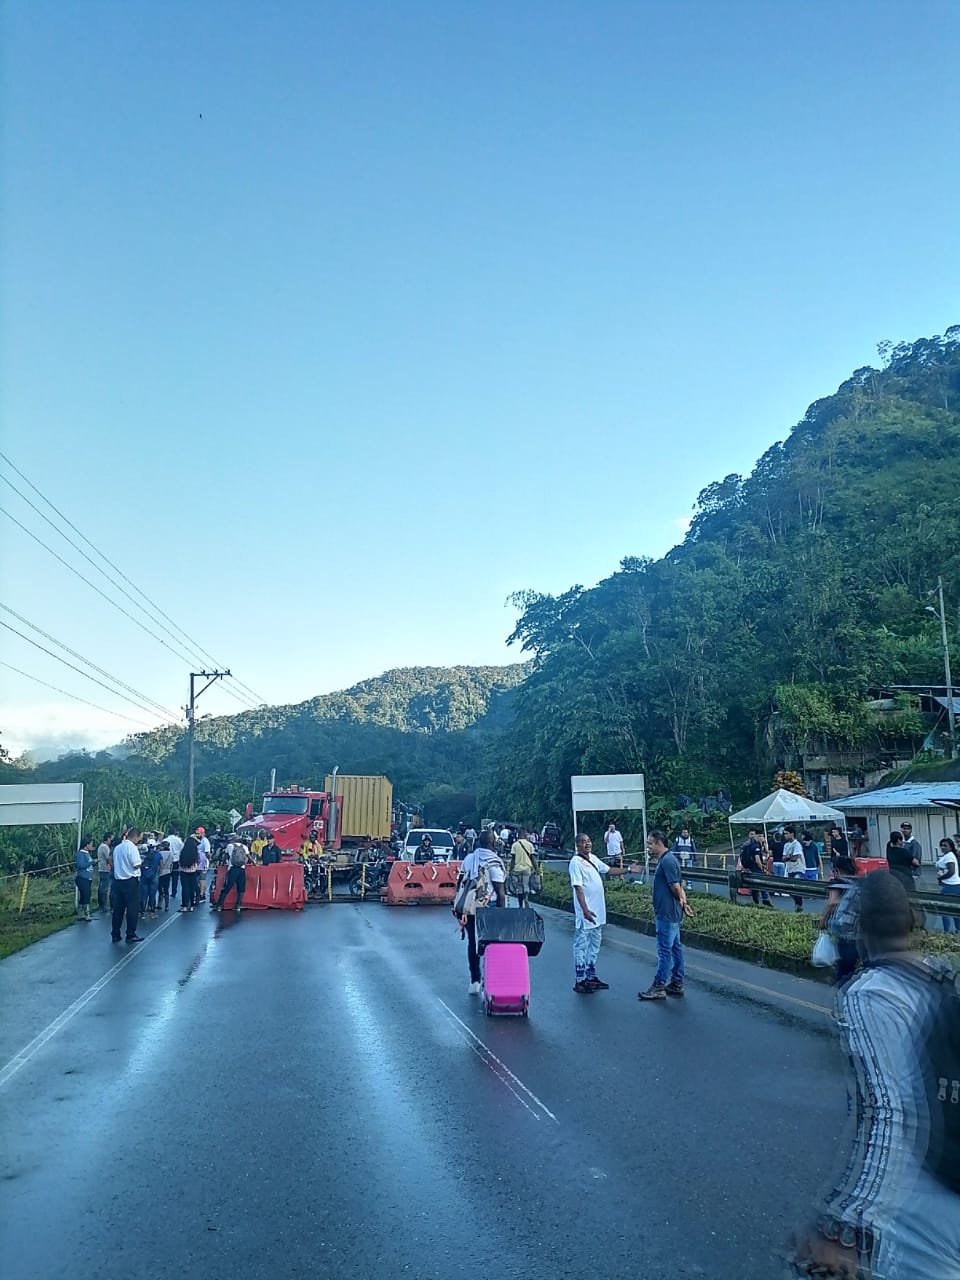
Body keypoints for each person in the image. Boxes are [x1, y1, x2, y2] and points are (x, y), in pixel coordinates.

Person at [790, 871, 960, 1280]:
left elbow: (887, 1113)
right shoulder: (945, 976)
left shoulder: (871, 995)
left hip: (922, 1207)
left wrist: (846, 1221)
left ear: (859, 927)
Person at [638, 830, 694, 1000]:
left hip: (667, 914)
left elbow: (676, 886)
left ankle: (659, 985)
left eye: (650, 843)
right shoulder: (668, 859)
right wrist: (684, 904)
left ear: (659, 843)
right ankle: (676, 982)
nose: (648, 846)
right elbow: (678, 885)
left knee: (664, 951)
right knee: (675, 949)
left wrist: (682, 902)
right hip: (672, 913)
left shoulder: (668, 861)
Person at [569, 833, 624, 993]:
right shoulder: (575, 862)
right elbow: (578, 887)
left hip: (598, 913)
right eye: (583, 842)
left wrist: (627, 870)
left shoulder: (593, 858)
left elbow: (608, 870)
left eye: (589, 841)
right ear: (577, 845)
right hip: (586, 913)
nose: (587, 844)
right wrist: (584, 909)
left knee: (595, 944)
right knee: (581, 944)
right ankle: (580, 980)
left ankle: (591, 976)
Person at [819, 854, 861, 984]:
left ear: (837, 869)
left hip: (846, 931)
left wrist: (823, 920)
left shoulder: (838, 882)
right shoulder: (859, 882)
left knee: (844, 967)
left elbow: (832, 902)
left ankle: (844, 991)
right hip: (864, 929)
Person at [111, 828, 143, 943]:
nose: (140, 840)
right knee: (132, 909)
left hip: (118, 881)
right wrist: (142, 862)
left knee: (118, 909)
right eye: (140, 837)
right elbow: (136, 865)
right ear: (135, 836)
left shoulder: (118, 847)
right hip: (130, 881)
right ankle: (130, 934)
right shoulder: (132, 848)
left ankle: (115, 933)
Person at [739, 829, 773, 907]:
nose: (762, 838)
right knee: (762, 884)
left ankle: (756, 901)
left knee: (755, 885)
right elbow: (757, 860)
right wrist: (762, 868)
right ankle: (765, 900)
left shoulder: (751, 845)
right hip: (756, 868)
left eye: (762, 836)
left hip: (751, 868)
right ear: (756, 836)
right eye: (760, 836)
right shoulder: (756, 846)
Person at [216, 838, 248, 913]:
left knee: (227, 886)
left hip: (232, 868)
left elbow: (225, 856)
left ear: (233, 840)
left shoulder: (230, 846)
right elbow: (248, 856)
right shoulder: (244, 847)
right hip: (242, 868)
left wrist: (222, 864)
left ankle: (219, 905)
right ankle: (238, 906)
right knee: (241, 888)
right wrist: (254, 864)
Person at [935, 837, 960, 933]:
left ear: (950, 847)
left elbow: (951, 871)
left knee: (945, 910)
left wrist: (940, 878)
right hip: (952, 885)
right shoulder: (947, 855)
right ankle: (957, 930)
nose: (942, 847)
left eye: (945, 845)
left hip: (951, 886)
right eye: (941, 845)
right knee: (954, 909)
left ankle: (947, 931)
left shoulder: (949, 856)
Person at [509, 829, 539, 907]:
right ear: (525, 835)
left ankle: (520, 905)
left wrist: (510, 869)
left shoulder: (515, 845)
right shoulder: (529, 845)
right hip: (527, 869)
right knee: (526, 885)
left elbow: (513, 859)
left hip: (517, 869)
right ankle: (526, 898)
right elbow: (533, 858)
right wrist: (536, 868)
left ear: (518, 835)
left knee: (519, 888)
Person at [783, 825, 807, 913]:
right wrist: (789, 857)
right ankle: (797, 903)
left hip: (799, 868)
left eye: (786, 833)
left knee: (796, 885)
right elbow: (783, 858)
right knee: (790, 888)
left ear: (792, 834)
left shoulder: (797, 844)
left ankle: (799, 904)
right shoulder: (786, 845)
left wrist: (788, 857)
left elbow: (795, 858)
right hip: (790, 869)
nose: (785, 835)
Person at [178, 833, 199, 912]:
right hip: (193, 871)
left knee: (185, 888)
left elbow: (180, 861)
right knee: (192, 888)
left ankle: (184, 906)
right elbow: (198, 861)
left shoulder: (183, 851)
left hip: (184, 872)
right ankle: (192, 906)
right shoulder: (195, 851)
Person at [75, 837, 95, 922]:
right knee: (87, 894)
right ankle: (87, 913)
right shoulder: (81, 854)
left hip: (88, 877)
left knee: (84, 895)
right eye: (91, 844)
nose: (92, 846)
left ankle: (80, 913)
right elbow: (80, 865)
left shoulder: (87, 853)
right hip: (82, 878)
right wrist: (91, 862)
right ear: (86, 845)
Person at [139, 839, 161, 918]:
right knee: (152, 894)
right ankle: (152, 912)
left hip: (144, 876)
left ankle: (142, 912)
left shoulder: (143, 855)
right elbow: (160, 865)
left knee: (143, 895)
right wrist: (158, 874)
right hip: (154, 876)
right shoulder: (158, 855)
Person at [96, 832, 113, 912]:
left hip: (101, 868)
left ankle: (101, 905)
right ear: (108, 838)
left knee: (101, 887)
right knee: (104, 889)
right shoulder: (105, 847)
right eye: (111, 839)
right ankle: (103, 905)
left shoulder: (101, 846)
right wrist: (113, 866)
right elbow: (108, 859)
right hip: (105, 869)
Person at [166, 828, 184, 899]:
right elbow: (182, 848)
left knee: (166, 877)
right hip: (176, 860)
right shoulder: (178, 840)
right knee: (175, 878)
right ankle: (174, 892)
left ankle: (166, 891)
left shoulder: (166, 840)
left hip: (167, 860)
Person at [157, 840, 174, 912]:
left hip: (159, 873)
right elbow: (171, 864)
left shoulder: (159, 853)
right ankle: (167, 906)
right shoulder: (171, 854)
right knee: (166, 889)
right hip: (167, 872)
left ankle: (159, 904)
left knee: (160, 889)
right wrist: (170, 871)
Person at [195, 829, 210, 901]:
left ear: (203, 833)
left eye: (198, 834)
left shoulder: (205, 841)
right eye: (196, 833)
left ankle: (201, 895)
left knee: (202, 879)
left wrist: (206, 860)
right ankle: (202, 893)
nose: (197, 835)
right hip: (197, 862)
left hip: (203, 862)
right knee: (198, 879)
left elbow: (207, 852)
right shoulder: (196, 840)